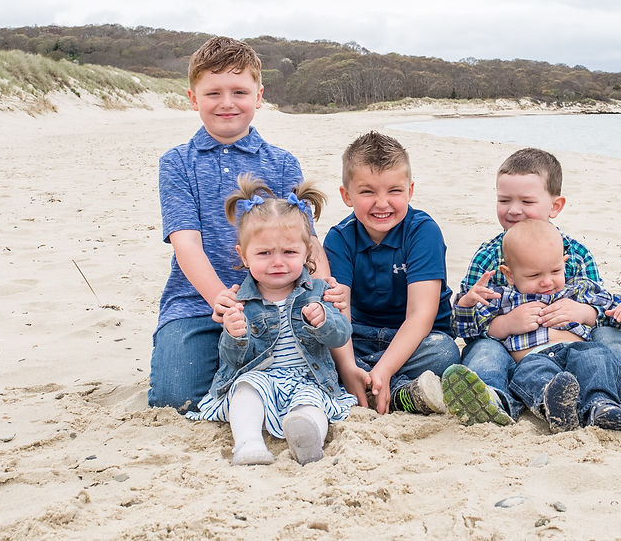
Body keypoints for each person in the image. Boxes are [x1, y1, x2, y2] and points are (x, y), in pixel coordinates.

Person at [150, 35, 340, 412]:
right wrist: (220, 299)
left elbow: (308, 242)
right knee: (175, 399)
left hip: (280, 302)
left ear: (258, 96)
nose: (226, 103)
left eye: (239, 91)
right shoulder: (177, 163)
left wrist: (321, 291)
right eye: (213, 93)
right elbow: (186, 243)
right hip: (199, 304)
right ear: (193, 99)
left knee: (311, 374)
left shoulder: (282, 163)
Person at [443, 148, 621, 426]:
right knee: (483, 349)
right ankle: (492, 396)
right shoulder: (487, 257)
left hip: (575, 345)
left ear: (555, 206)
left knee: (607, 338)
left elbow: (603, 303)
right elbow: (467, 328)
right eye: (504, 200)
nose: (514, 209)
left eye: (527, 201)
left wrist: (585, 312)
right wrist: (504, 323)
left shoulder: (575, 253)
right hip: (516, 352)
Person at [454, 219, 621, 432]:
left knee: (597, 360)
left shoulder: (577, 289)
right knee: (533, 375)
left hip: (579, 349)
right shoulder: (502, 297)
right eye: (534, 275)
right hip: (532, 357)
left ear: (564, 264)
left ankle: (601, 405)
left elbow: (611, 305)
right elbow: (470, 331)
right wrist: (503, 322)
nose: (547, 281)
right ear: (510, 275)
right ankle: (553, 406)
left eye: (555, 271)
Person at [187, 177, 356, 465]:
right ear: (244, 255)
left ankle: (307, 436)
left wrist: (324, 321)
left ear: (306, 253)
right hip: (260, 376)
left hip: (308, 378)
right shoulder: (239, 301)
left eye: (289, 252)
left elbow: (341, 335)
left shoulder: (319, 292)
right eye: (264, 253)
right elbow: (231, 359)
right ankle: (248, 443)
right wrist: (234, 333)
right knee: (245, 391)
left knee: (311, 404)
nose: (277, 262)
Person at [323, 131, 461, 415]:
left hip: (417, 338)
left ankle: (381, 384)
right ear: (347, 195)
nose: (382, 203)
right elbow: (340, 316)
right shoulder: (339, 239)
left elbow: (421, 316)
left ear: (410, 191)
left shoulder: (422, 232)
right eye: (367, 191)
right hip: (360, 336)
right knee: (320, 348)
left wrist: (384, 369)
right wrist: (349, 368)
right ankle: (385, 387)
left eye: (394, 191)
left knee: (445, 352)